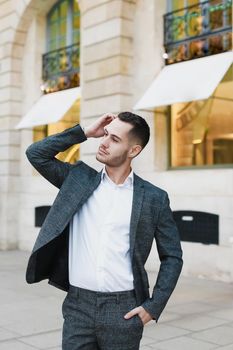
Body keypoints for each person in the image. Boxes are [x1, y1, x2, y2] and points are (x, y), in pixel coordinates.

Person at [25, 111, 183, 350]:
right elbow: (36, 154)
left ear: (134, 151)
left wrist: (153, 307)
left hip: (124, 310)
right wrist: (84, 132)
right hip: (78, 306)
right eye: (106, 135)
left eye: (115, 139)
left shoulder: (153, 198)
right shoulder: (77, 179)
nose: (104, 142)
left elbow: (172, 256)